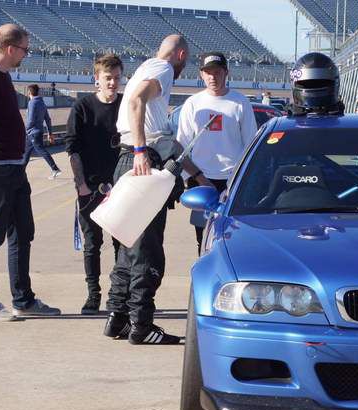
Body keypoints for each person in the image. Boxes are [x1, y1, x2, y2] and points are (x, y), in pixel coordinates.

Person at [0, 24, 61, 321]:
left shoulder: (1, 76)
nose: (25, 55)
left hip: (13, 168)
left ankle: (23, 298)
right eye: (24, 49)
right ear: (10, 49)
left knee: (22, 233)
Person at [102, 34, 189, 345]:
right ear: (180, 54)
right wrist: (141, 150)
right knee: (148, 251)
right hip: (141, 160)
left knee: (128, 245)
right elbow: (137, 99)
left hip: (125, 158)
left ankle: (117, 318)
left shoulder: (145, 66)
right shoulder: (164, 69)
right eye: (185, 61)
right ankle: (142, 325)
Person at [177, 52, 257, 254]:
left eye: (217, 72)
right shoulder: (193, 104)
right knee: (202, 237)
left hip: (232, 180)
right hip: (201, 179)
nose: (213, 77)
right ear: (202, 75)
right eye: (208, 72)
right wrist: (189, 178)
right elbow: (182, 145)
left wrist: (246, 178)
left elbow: (251, 143)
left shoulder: (240, 102)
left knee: (232, 235)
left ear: (226, 73)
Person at [65, 54, 123, 315]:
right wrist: (81, 185)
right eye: (108, 78)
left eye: (117, 78)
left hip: (122, 187)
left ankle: (118, 294)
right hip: (90, 187)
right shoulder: (82, 107)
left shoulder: (126, 105)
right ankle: (93, 294)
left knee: (122, 243)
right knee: (92, 243)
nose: (113, 83)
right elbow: (73, 149)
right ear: (96, 79)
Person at [23, 84, 61, 179]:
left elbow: (31, 119)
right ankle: (20, 173)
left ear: (29, 93)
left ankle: (55, 168)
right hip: (37, 132)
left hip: (32, 132)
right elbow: (47, 119)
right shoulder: (42, 103)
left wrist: (26, 129)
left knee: (41, 150)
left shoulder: (32, 103)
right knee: (26, 153)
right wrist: (50, 133)